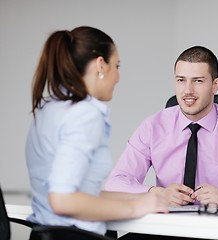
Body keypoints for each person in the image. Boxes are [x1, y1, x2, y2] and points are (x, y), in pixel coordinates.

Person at [25, 26, 168, 238]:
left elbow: (82, 195)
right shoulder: (85, 115)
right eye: (117, 66)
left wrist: (145, 198)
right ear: (101, 64)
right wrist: (136, 208)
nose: (118, 77)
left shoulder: (50, 109)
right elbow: (63, 200)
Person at [105, 46, 218, 210]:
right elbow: (115, 183)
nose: (188, 90)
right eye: (181, 80)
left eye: (198, 81)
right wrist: (157, 194)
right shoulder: (152, 127)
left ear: (215, 85)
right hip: (166, 228)